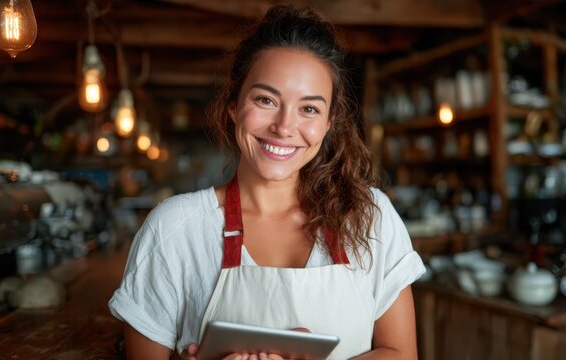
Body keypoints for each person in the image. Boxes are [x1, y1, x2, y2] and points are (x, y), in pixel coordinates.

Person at [108, 4, 425, 359]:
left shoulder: (370, 215)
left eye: (309, 108)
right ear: (233, 105)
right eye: (266, 99)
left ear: (329, 121)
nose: (284, 127)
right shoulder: (174, 229)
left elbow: (400, 352)